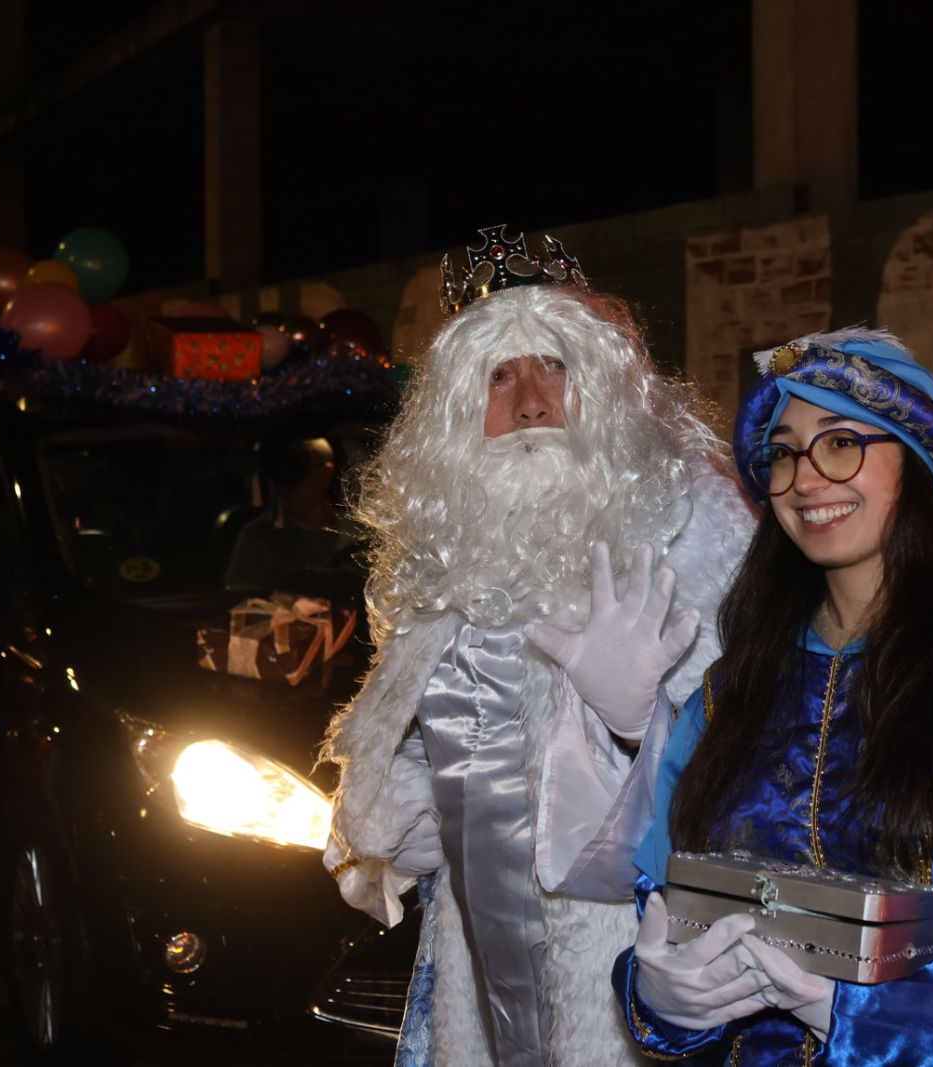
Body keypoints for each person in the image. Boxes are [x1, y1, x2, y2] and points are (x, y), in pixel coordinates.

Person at [569, 327, 933, 1064]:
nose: (806, 479)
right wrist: (659, 998)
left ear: (915, 461)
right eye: (784, 452)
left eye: (840, 443)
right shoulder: (735, 687)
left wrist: (860, 1014)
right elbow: (670, 905)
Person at [319, 226, 753, 1066]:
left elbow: (768, 748)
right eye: (498, 375)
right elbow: (411, 731)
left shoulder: (693, 521)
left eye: (553, 364)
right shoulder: (441, 546)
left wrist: (642, 725)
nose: (528, 402)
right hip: (478, 950)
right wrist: (389, 807)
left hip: (645, 951)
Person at [223, 436, 359, 590]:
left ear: (327, 470)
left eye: (298, 468)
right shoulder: (258, 539)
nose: (286, 486)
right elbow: (241, 604)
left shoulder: (359, 536)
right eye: (281, 472)